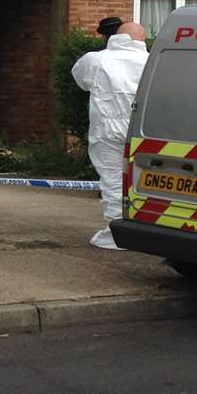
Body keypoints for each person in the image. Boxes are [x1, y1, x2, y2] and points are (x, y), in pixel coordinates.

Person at [72, 20, 151, 250]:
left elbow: (80, 79)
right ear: (141, 40)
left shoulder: (96, 60)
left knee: (113, 181)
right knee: (145, 180)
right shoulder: (153, 61)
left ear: (117, 37)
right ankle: (145, 228)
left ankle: (117, 233)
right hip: (143, 129)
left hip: (107, 128)